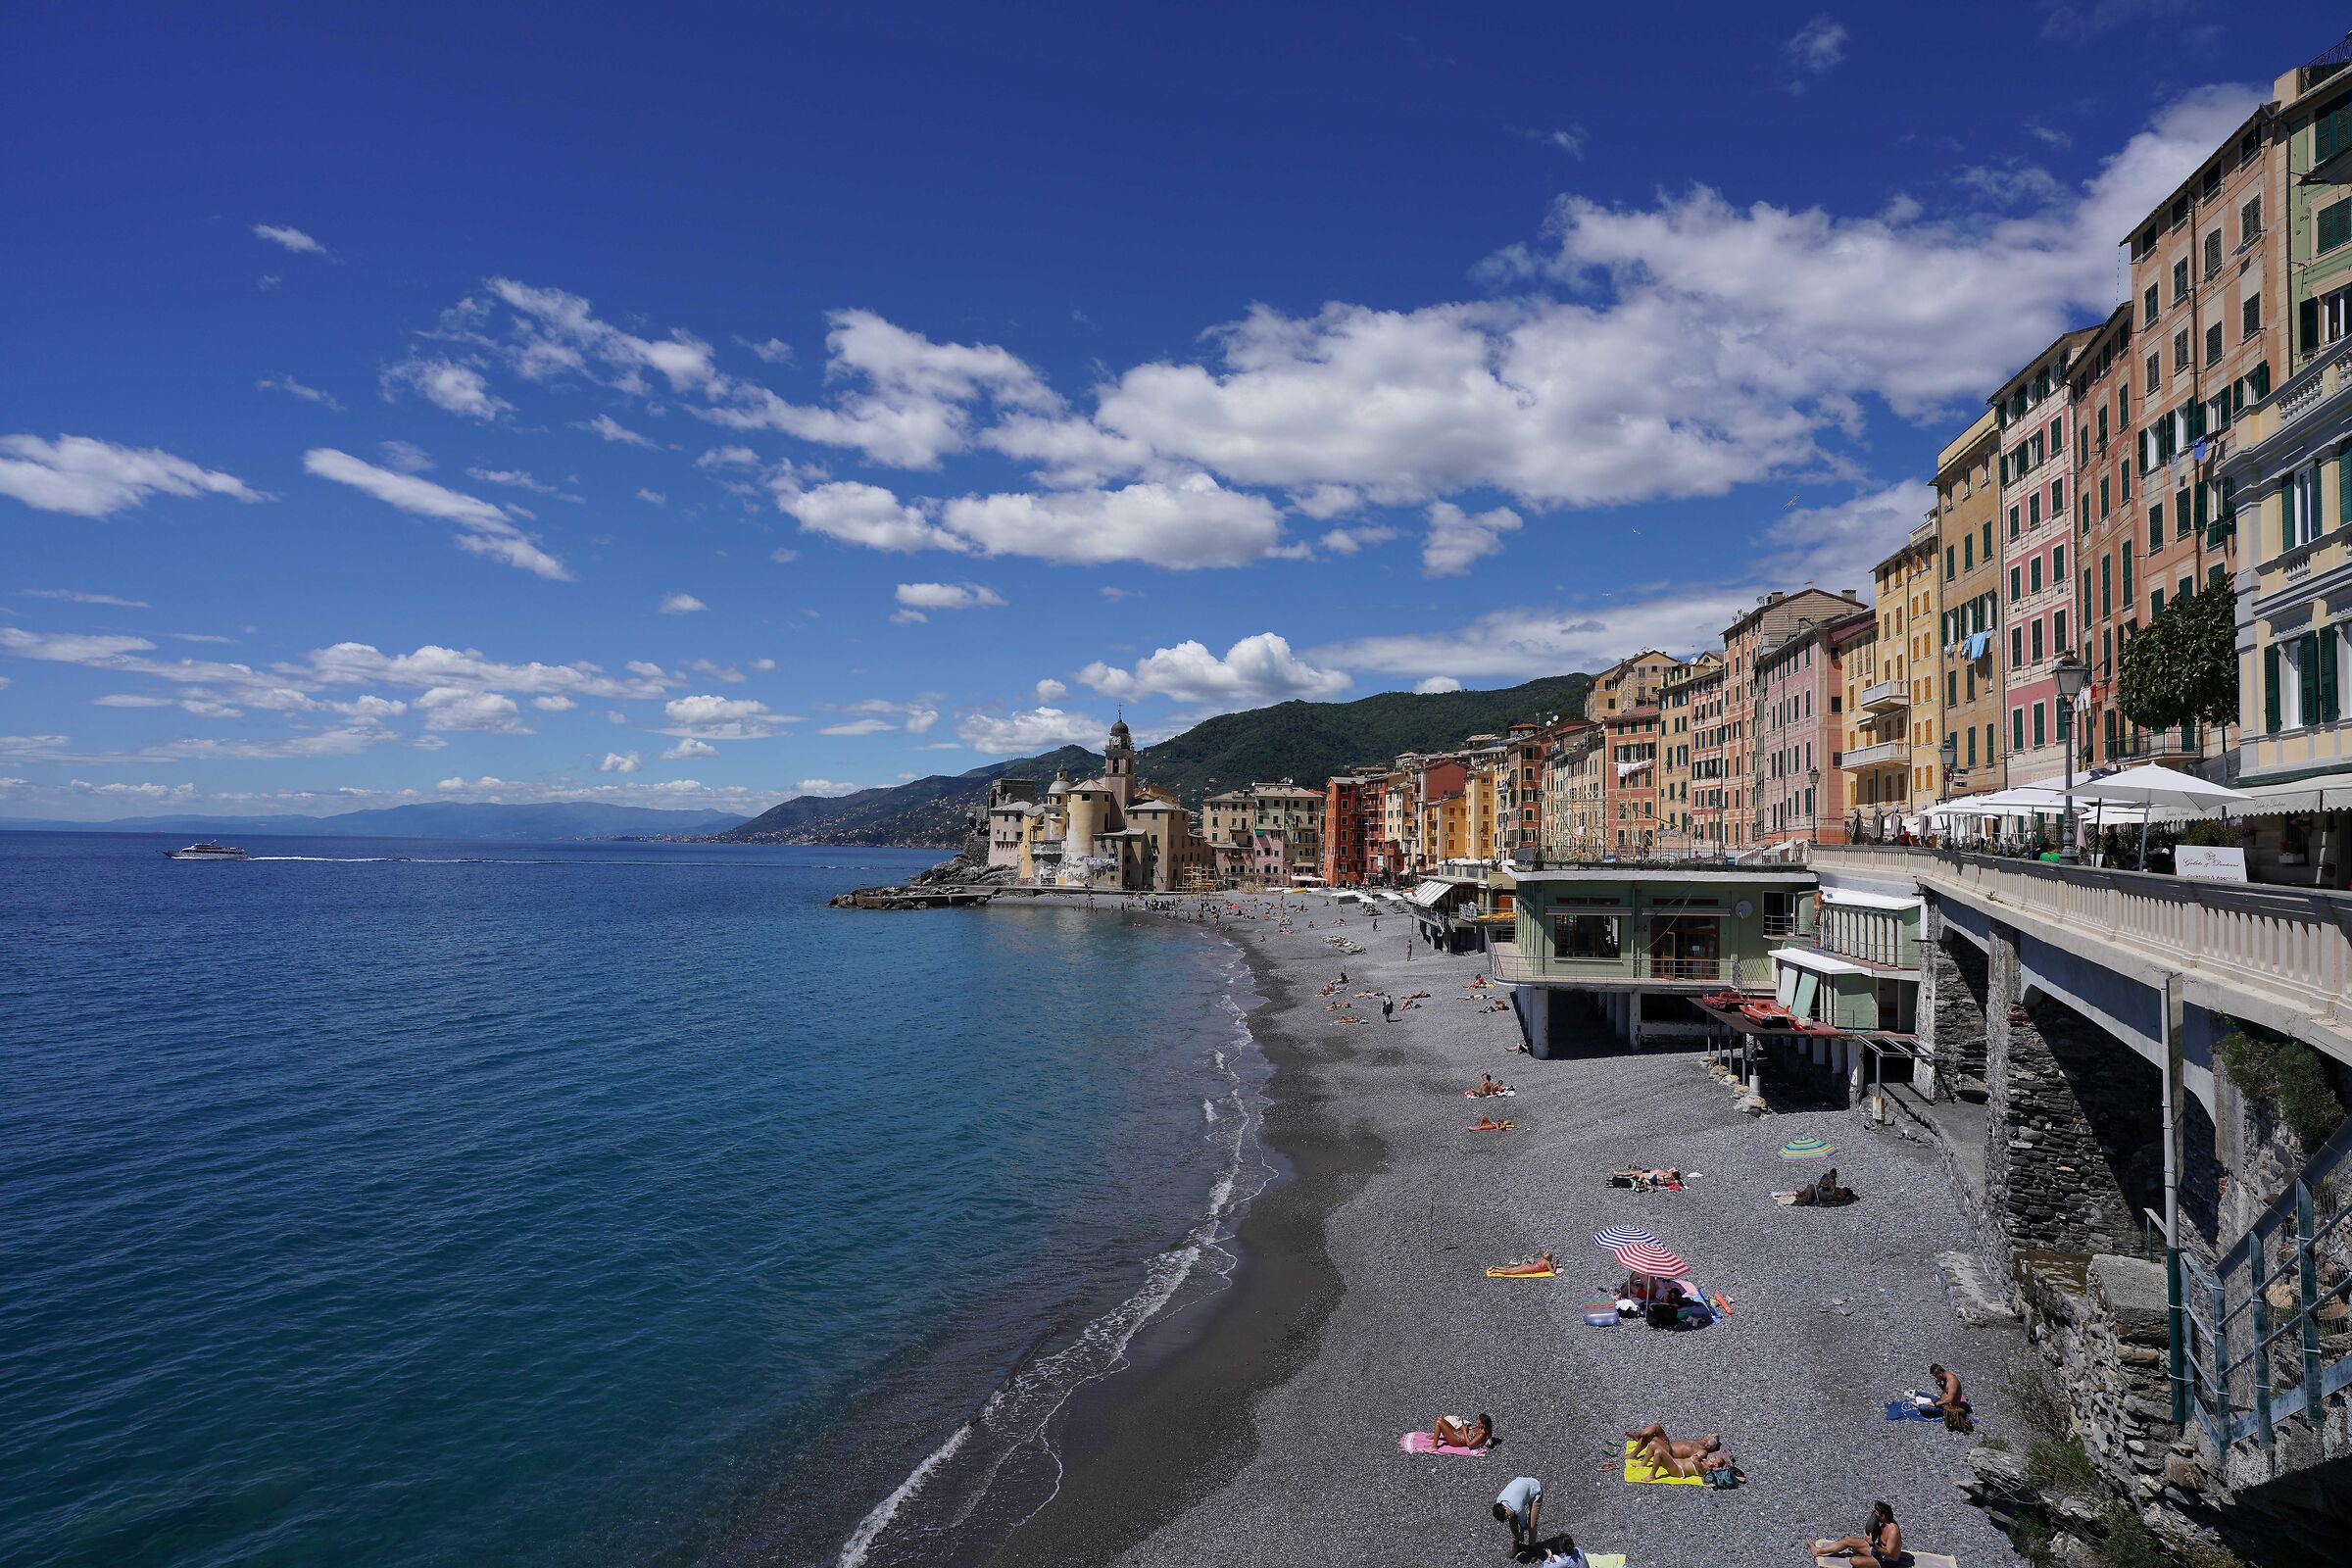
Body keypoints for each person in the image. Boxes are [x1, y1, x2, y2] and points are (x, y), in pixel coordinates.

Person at [1807, 1501, 1906, 1566]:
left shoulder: (1893, 1531)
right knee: (1847, 1540)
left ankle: (1864, 1558)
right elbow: (1874, 1535)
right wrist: (1867, 1534)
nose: (1874, 1513)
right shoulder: (1882, 1523)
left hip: (1887, 1562)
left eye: (1876, 1512)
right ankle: (1817, 1551)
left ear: (1883, 1516)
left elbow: (1890, 1553)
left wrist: (1872, 1544)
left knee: (1854, 1561)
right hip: (1877, 1551)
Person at [1625, 1423, 1733, 1478]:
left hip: (1670, 1452)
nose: (1704, 1438)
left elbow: (1700, 1457)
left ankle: (1635, 1454)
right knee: (1655, 1426)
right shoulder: (1698, 1441)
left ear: (1708, 1446)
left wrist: (1698, 1457)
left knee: (1651, 1440)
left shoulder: (1702, 1451)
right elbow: (1716, 1434)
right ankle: (1637, 1437)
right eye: (1705, 1437)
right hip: (1668, 1444)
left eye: (1706, 1439)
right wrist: (1715, 1437)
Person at [1493, 1475, 1543, 1556]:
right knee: (1512, 1519)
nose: (1508, 1517)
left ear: (1504, 1507)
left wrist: (1521, 1533)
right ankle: (1516, 1545)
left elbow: (1523, 1522)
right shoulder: (1499, 1501)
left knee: (1532, 1524)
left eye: (1507, 1515)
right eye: (1506, 1517)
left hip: (1535, 1491)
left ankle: (1532, 1548)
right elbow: (1511, 1516)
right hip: (1521, 1492)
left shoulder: (1517, 1506)